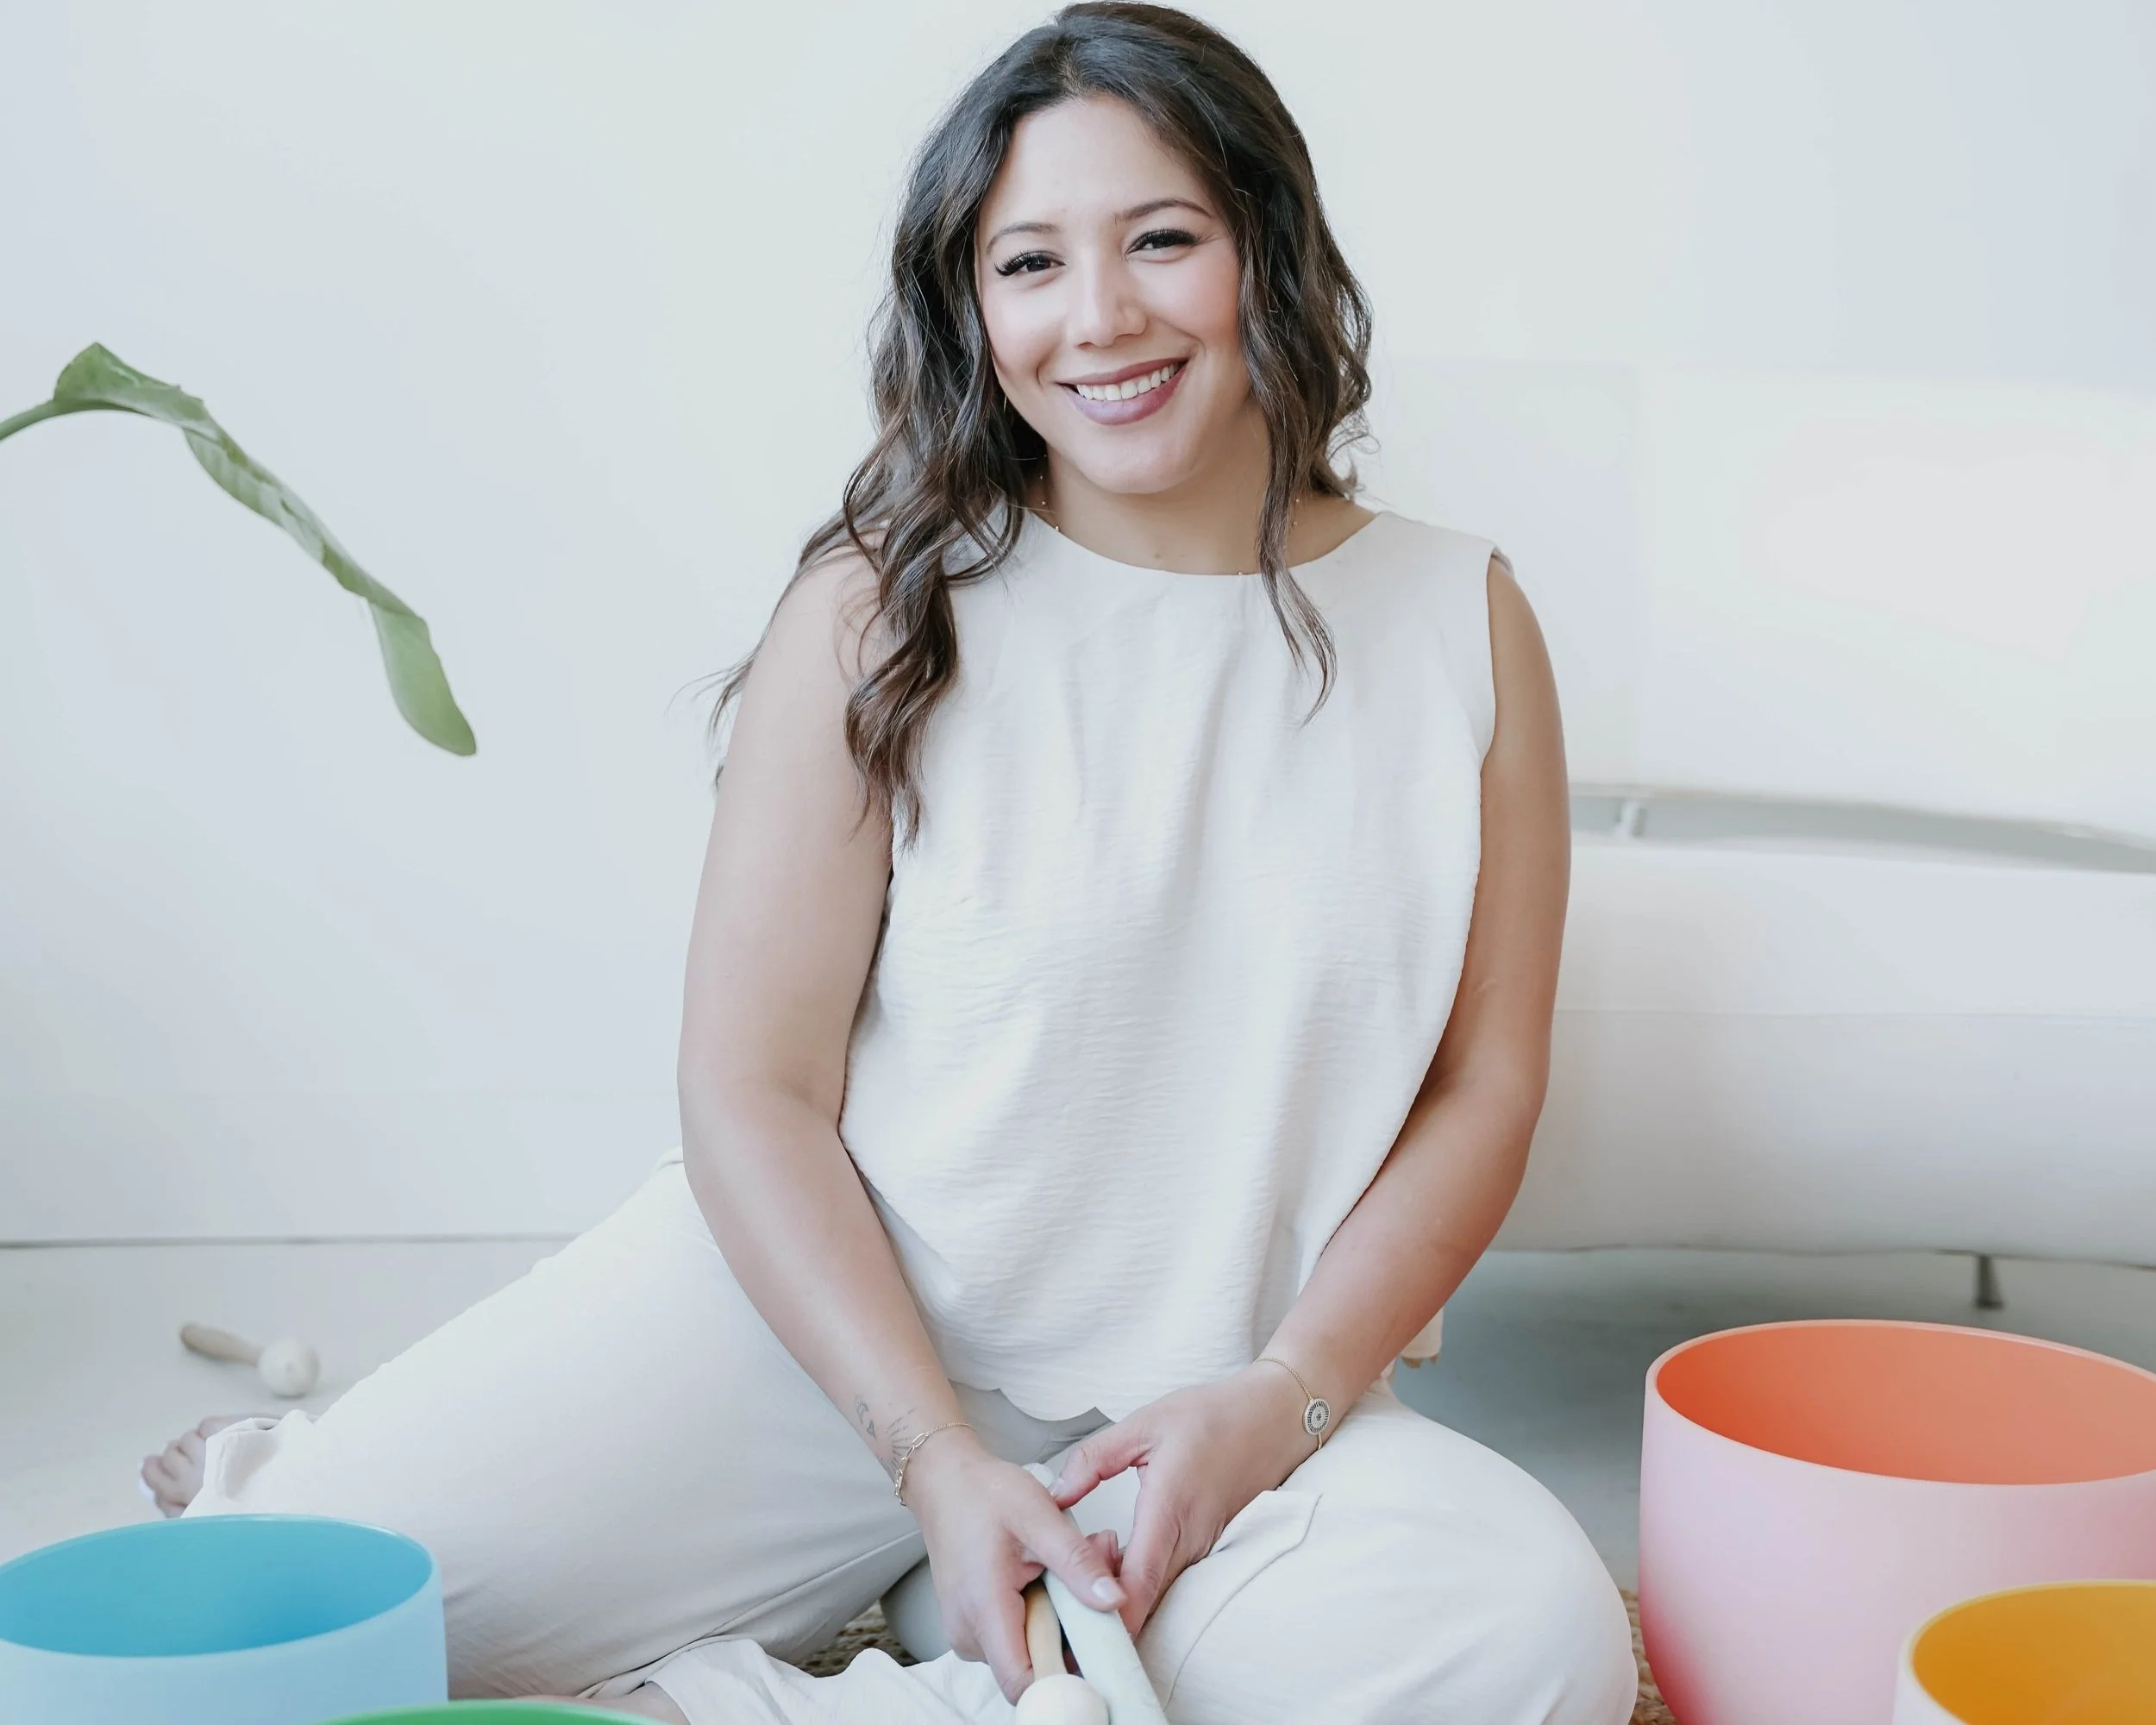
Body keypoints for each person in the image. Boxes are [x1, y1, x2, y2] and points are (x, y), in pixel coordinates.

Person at [141, 6, 1637, 1720]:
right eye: (1029, 264)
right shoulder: (878, 607)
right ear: (969, 306)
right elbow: (750, 1089)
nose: (1101, 320)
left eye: (1161, 239)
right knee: (281, 1633)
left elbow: (1479, 1084)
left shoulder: (1458, 620)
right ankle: (970, 1631)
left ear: (1266, 251)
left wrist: (1284, 1394)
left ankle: (867, 1655)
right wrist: (927, 1447)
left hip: (1210, 1417)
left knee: (1533, 1644)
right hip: (813, 1354)